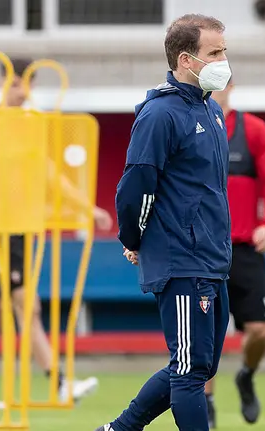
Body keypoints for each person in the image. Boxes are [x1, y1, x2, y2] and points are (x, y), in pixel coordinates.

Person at [0, 58, 111, 408]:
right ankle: (58, 380)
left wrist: (86, 208)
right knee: (24, 304)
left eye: (26, 83)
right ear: (1, 82)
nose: (21, 90)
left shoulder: (29, 124)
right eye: (14, 83)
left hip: (23, 226)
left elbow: (48, 175)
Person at [98, 13, 232, 431]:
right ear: (187, 60)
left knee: (197, 365)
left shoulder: (212, 111)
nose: (224, 60)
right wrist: (133, 238)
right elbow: (136, 184)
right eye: (216, 52)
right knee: (191, 372)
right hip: (181, 258)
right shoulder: (160, 114)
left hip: (213, 258)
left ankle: (119, 429)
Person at [205, 79, 265, 427]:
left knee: (261, 329)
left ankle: (246, 375)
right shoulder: (181, 125)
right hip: (201, 251)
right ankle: (205, 399)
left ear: (231, 84)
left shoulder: (252, 129)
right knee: (202, 334)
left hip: (244, 249)